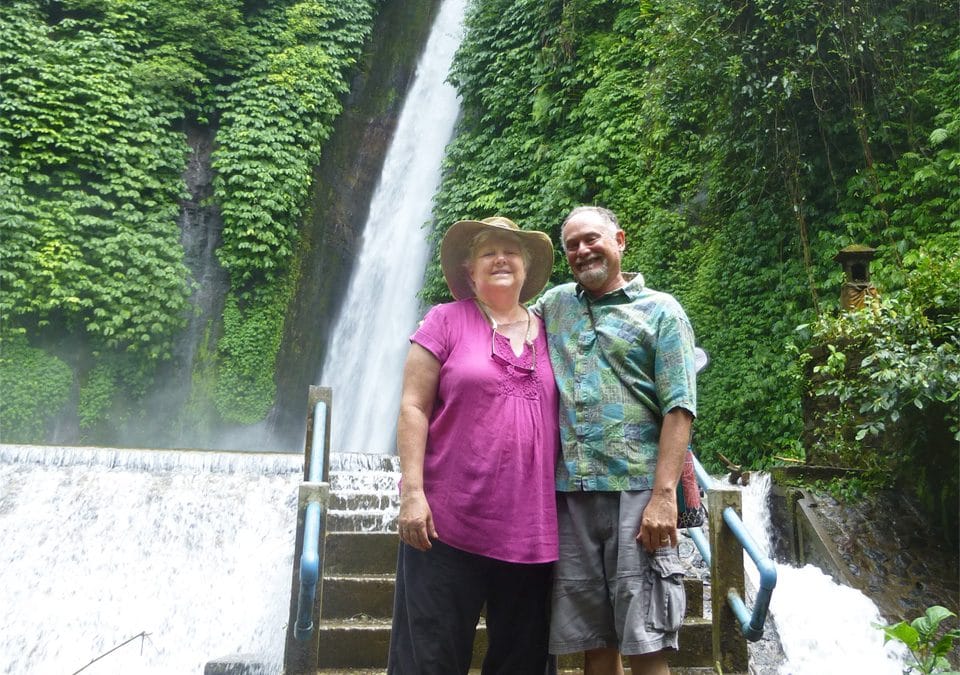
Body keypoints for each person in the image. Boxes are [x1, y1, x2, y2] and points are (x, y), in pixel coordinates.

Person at [387, 216, 561, 675]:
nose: (501, 258)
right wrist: (412, 492)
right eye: (488, 251)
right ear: (470, 270)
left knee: (521, 664)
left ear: (526, 268)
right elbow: (413, 408)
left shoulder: (553, 333)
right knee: (430, 659)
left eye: (511, 251)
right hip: (446, 524)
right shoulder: (445, 319)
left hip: (532, 534)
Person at [534, 206, 697, 675]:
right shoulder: (555, 305)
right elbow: (507, 329)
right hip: (571, 495)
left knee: (646, 642)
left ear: (620, 240)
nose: (583, 251)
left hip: (639, 493)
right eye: (572, 245)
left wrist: (665, 497)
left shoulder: (662, 311)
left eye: (592, 239)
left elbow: (679, 407)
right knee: (594, 643)